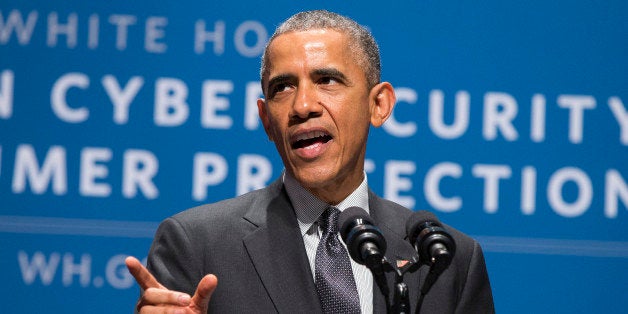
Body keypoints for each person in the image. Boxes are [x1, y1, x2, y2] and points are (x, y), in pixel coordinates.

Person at [125, 10, 494, 313]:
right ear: (267, 120)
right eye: (282, 88)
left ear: (378, 104)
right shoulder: (199, 244)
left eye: (327, 80)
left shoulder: (446, 260)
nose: (302, 106)